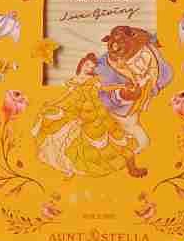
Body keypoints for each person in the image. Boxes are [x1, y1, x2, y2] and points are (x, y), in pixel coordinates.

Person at [31, 52, 134, 178]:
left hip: (98, 111)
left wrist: (121, 85)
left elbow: (105, 88)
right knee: (69, 136)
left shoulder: (93, 80)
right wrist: (53, 104)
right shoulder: (73, 81)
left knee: (106, 136)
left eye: (92, 67)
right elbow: (67, 97)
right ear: (82, 63)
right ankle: (70, 166)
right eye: (87, 65)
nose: (89, 68)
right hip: (82, 112)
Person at [95, 26, 173, 177]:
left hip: (138, 111)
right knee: (140, 142)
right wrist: (122, 96)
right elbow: (100, 97)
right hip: (117, 116)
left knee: (143, 142)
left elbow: (165, 73)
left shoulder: (148, 52)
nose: (138, 64)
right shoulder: (104, 68)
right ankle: (119, 163)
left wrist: (150, 89)